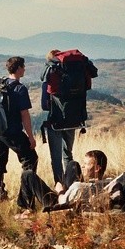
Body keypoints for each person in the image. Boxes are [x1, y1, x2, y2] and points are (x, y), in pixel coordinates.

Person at [0, 56, 39, 201]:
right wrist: (30, 137)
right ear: (18, 69)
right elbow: (24, 115)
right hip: (13, 132)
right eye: (23, 67)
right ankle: (25, 198)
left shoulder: (0, 82)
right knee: (31, 159)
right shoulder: (20, 89)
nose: (25, 69)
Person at [16, 149, 109, 217]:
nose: (83, 166)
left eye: (86, 164)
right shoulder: (108, 183)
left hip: (59, 205)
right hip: (73, 195)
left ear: (97, 168)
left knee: (27, 175)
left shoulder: (78, 186)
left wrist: (60, 191)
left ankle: (28, 209)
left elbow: (63, 203)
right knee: (73, 164)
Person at [41, 49, 77, 191]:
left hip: (55, 121)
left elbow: (44, 105)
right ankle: (71, 184)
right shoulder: (72, 75)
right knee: (68, 154)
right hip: (72, 119)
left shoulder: (49, 77)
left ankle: (60, 186)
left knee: (56, 158)